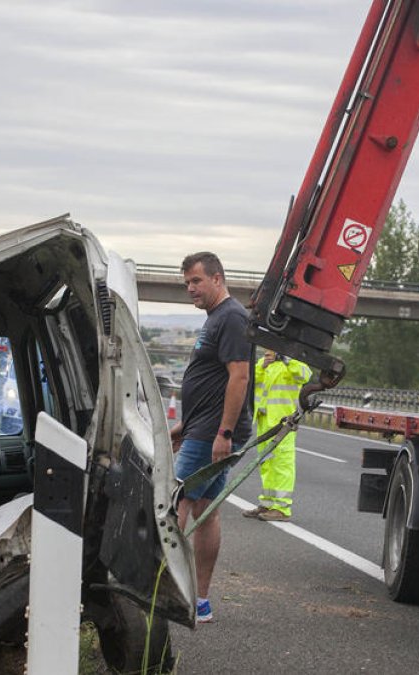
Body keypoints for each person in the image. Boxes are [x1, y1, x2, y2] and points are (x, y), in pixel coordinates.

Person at [170, 251, 252, 624]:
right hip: (202, 429)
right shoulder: (217, 318)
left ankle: (162, 590)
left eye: (196, 281)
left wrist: (224, 433)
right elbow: (212, 382)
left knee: (173, 504)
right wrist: (185, 427)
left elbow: (239, 377)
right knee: (205, 510)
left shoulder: (231, 317)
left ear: (217, 279)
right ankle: (200, 601)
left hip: (212, 433)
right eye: (187, 282)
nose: (190, 288)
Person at [243, 349, 311, 522]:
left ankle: (281, 508)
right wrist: (262, 365)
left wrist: (286, 358)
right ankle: (266, 504)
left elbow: (305, 375)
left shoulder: (292, 363)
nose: (268, 352)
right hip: (265, 420)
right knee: (266, 464)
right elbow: (251, 381)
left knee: (282, 464)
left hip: (284, 422)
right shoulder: (266, 365)